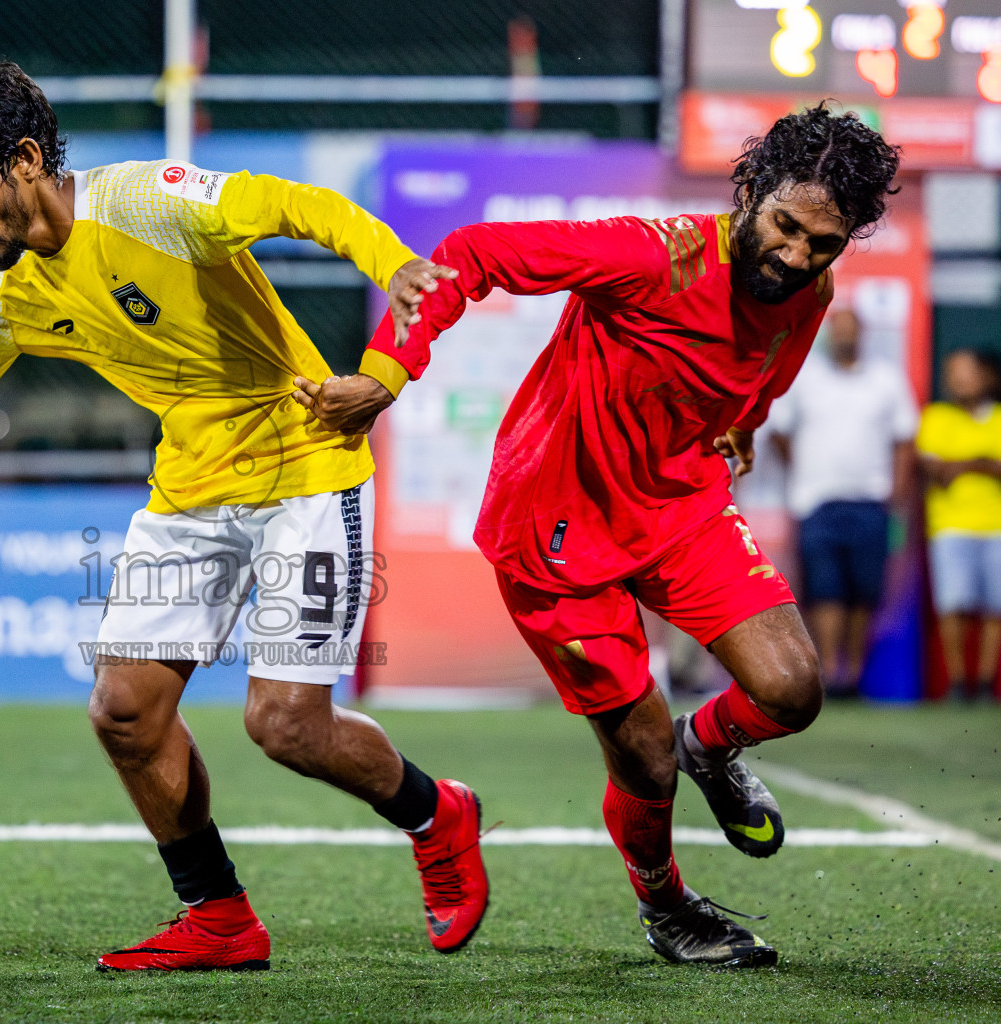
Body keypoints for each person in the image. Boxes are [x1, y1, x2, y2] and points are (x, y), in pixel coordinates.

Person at [0, 60, 488, 972]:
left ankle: (439, 816)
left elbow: (297, 204)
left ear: (26, 159)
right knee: (125, 711)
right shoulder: (0, 294)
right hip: (191, 491)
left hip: (308, 467)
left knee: (286, 724)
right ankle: (218, 917)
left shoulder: (151, 203)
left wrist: (392, 264)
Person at [295, 103, 900, 966]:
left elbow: (770, 360)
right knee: (643, 759)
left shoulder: (811, 288)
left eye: (825, 244)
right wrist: (385, 373)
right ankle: (668, 906)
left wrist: (746, 422)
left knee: (793, 689)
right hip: (556, 524)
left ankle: (712, 748)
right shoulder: (656, 255)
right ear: (750, 192)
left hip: (677, 503)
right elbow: (472, 254)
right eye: (787, 228)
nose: (799, 256)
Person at [766, 309, 918, 696]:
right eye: (838, 329)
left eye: (850, 329)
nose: (844, 336)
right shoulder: (806, 377)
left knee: (863, 591)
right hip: (816, 500)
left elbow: (904, 438)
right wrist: (805, 470)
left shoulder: (886, 379)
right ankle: (831, 672)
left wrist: (896, 494)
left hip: (871, 499)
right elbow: (779, 431)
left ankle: (852, 673)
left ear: (862, 333)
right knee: (825, 589)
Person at [915, 348, 1001, 701]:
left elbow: (953, 468)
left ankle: (982, 684)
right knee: (953, 607)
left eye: (966, 372)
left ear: (987, 376)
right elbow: (936, 471)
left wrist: (961, 464)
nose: (959, 381)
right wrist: (982, 461)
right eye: (953, 374)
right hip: (949, 526)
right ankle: (956, 683)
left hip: (996, 527)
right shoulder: (936, 417)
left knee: (995, 608)